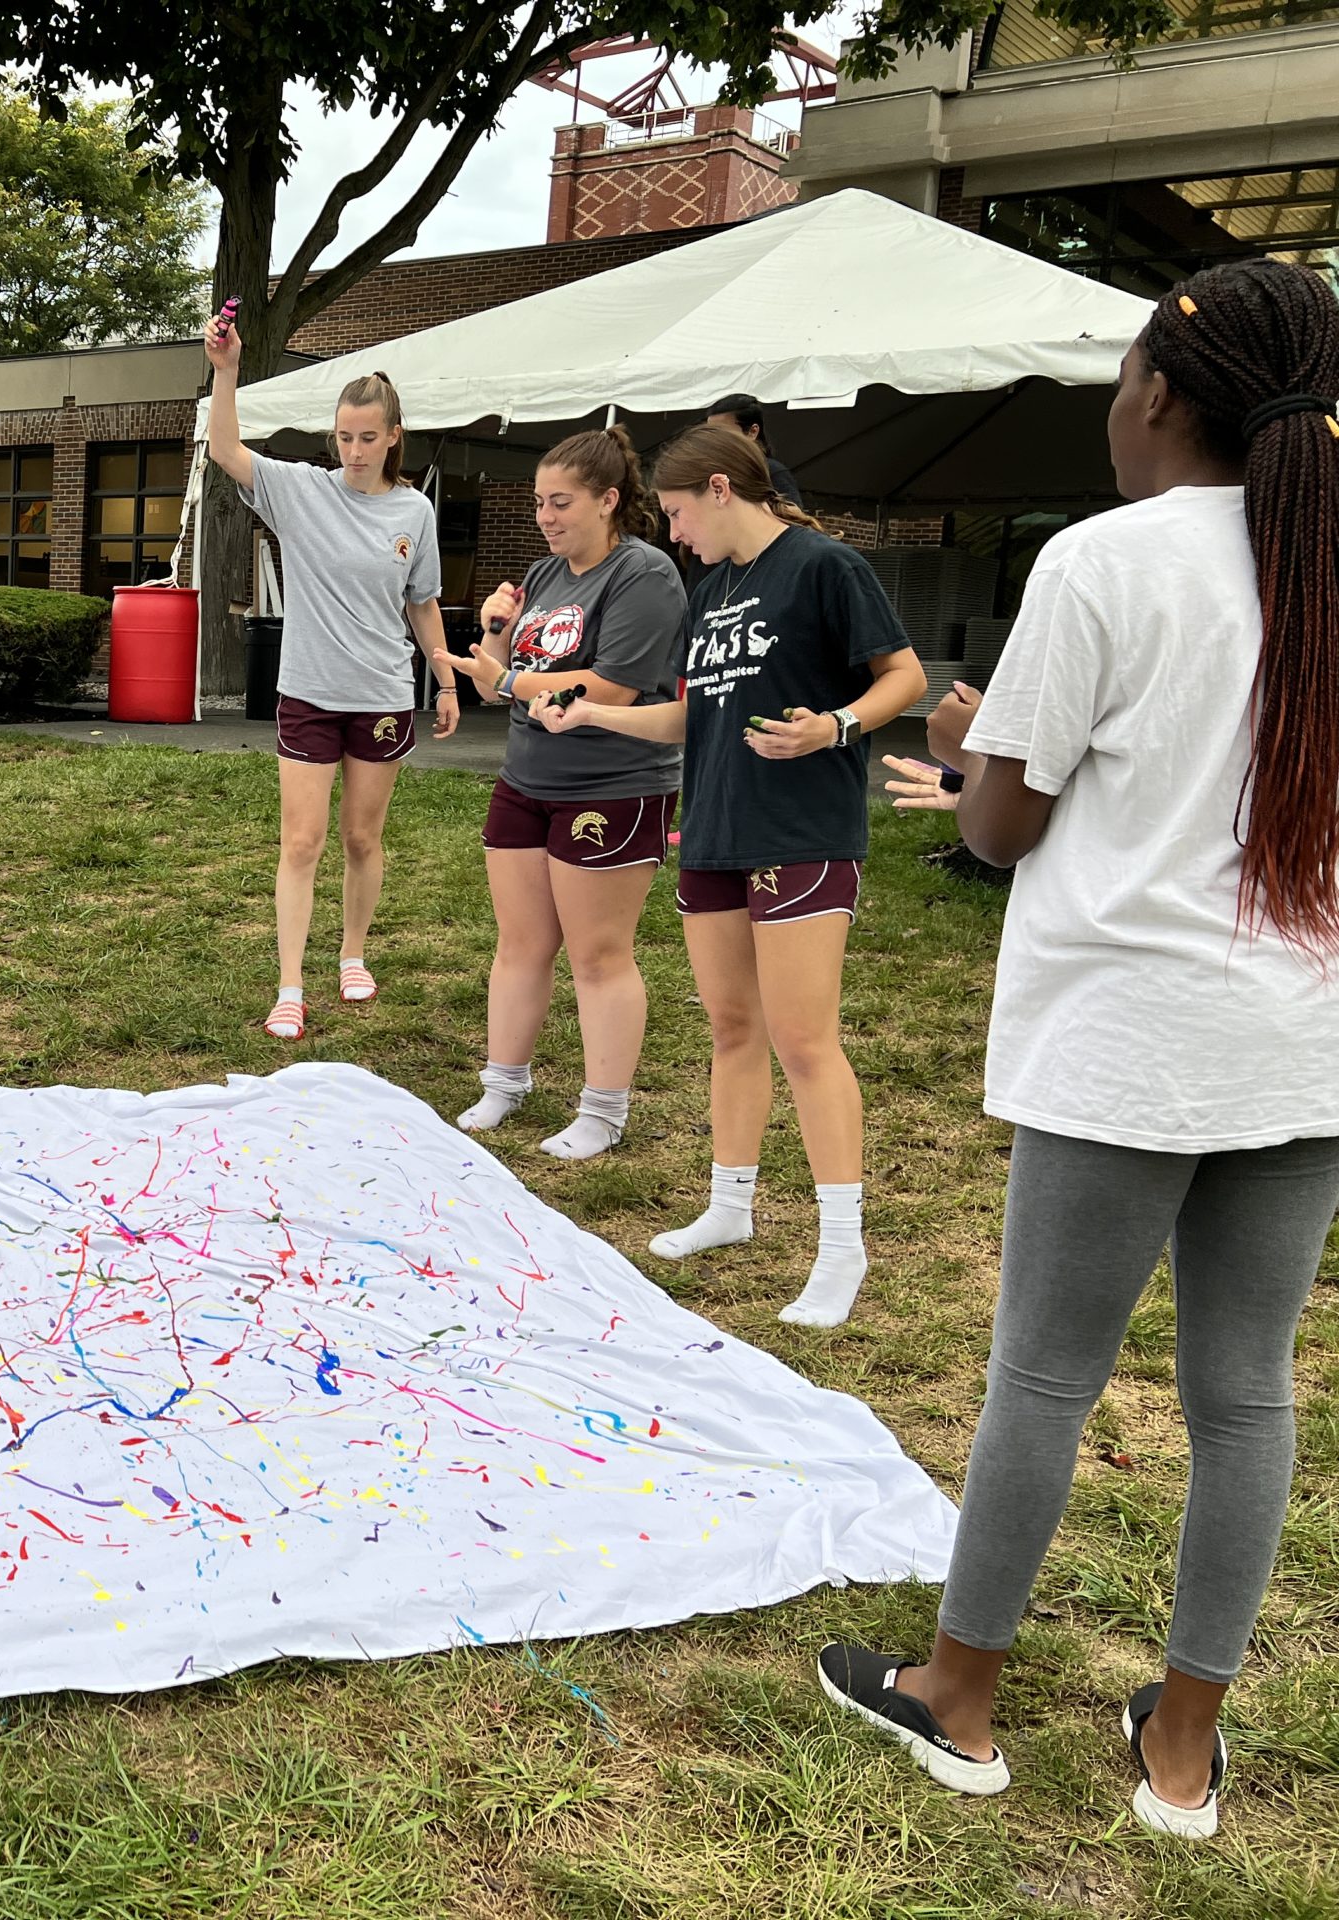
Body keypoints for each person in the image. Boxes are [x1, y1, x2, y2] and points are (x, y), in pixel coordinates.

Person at [813, 258, 1339, 1842]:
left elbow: (1005, 821)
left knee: (1045, 1372)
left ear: (1163, 397)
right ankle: (1182, 1754)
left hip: (1128, 1033)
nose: (1114, 410)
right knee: (1247, 1395)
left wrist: (969, 752)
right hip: (1304, 1041)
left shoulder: (1104, 561)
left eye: (1120, 384)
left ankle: (956, 1700)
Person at [533, 424, 926, 1325]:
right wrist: (586, 714)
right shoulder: (713, 590)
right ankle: (731, 1205)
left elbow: (903, 676)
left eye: (674, 513)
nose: (672, 534)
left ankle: (841, 1248)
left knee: (803, 1039)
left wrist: (835, 727)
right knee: (732, 1028)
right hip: (711, 830)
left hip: (801, 831)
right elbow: (688, 720)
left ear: (718, 489)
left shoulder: (826, 567)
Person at [203, 314, 463, 1041]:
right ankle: (290, 983)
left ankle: (352, 953)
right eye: (344, 437)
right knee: (301, 842)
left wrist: (444, 681)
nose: (353, 450)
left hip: (382, 695)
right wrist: (226, 370)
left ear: (393, 437)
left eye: (367, 438)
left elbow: (423, 603)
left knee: (360, 840)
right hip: (309, 693)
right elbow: (225, 448)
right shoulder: (301, 492)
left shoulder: (415, 510)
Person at [454, 427, 687, 1160]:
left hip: (613, 786)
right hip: (528, 779)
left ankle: (603, 1111)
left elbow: (612, 684)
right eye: (539, 503)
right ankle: (504, 1082)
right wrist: (493, 633)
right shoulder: (544, 573)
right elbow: (501, 680)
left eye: (561, 503)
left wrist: (508, 679)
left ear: (608, 500)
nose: (546, 517)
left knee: (598, 954)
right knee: (521, 943)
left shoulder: (643, 574)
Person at [705, 395, 804, 505]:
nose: (715, 440)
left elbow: (795, 519)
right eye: (711, 433)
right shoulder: (706, 471)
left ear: (752, 432)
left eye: (725, 433)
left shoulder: (772, 473)